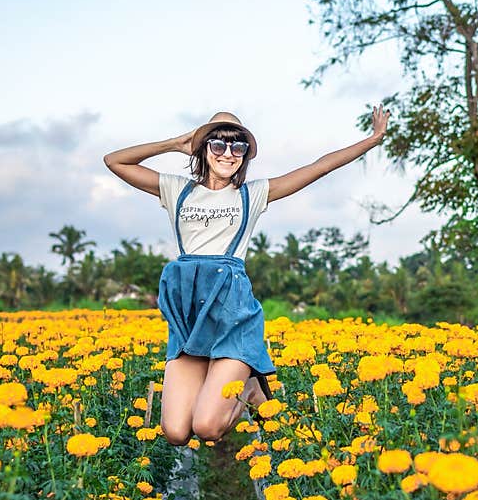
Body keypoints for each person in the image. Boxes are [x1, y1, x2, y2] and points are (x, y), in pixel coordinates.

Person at [103, 105, 390, 445]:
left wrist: (373, 140)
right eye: (219, 145)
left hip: (231, 311)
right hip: (188, 315)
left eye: (238, 147)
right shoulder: (176, 189)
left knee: (208, 427)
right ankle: (249, 382)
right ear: (203, 148)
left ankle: (250, 386)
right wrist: (175, 142)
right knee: (177, 432)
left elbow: (320, 166)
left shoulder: (251, 194)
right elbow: (114, 161)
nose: (229, 153)